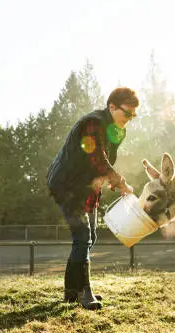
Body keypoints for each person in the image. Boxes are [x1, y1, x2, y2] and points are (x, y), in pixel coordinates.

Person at [47, 87, 139, 310]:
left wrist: (108, 178)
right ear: (112, 107)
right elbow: (96, 155)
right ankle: (83, 292)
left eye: (133, 116)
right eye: (126, 113)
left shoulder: (116, 131)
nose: (129, 119)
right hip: (67, 185)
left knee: (91, 236)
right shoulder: (95, 122)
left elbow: (104, 161)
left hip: (86, 187)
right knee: (82, 235)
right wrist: (119, 181)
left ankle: (71, 291)